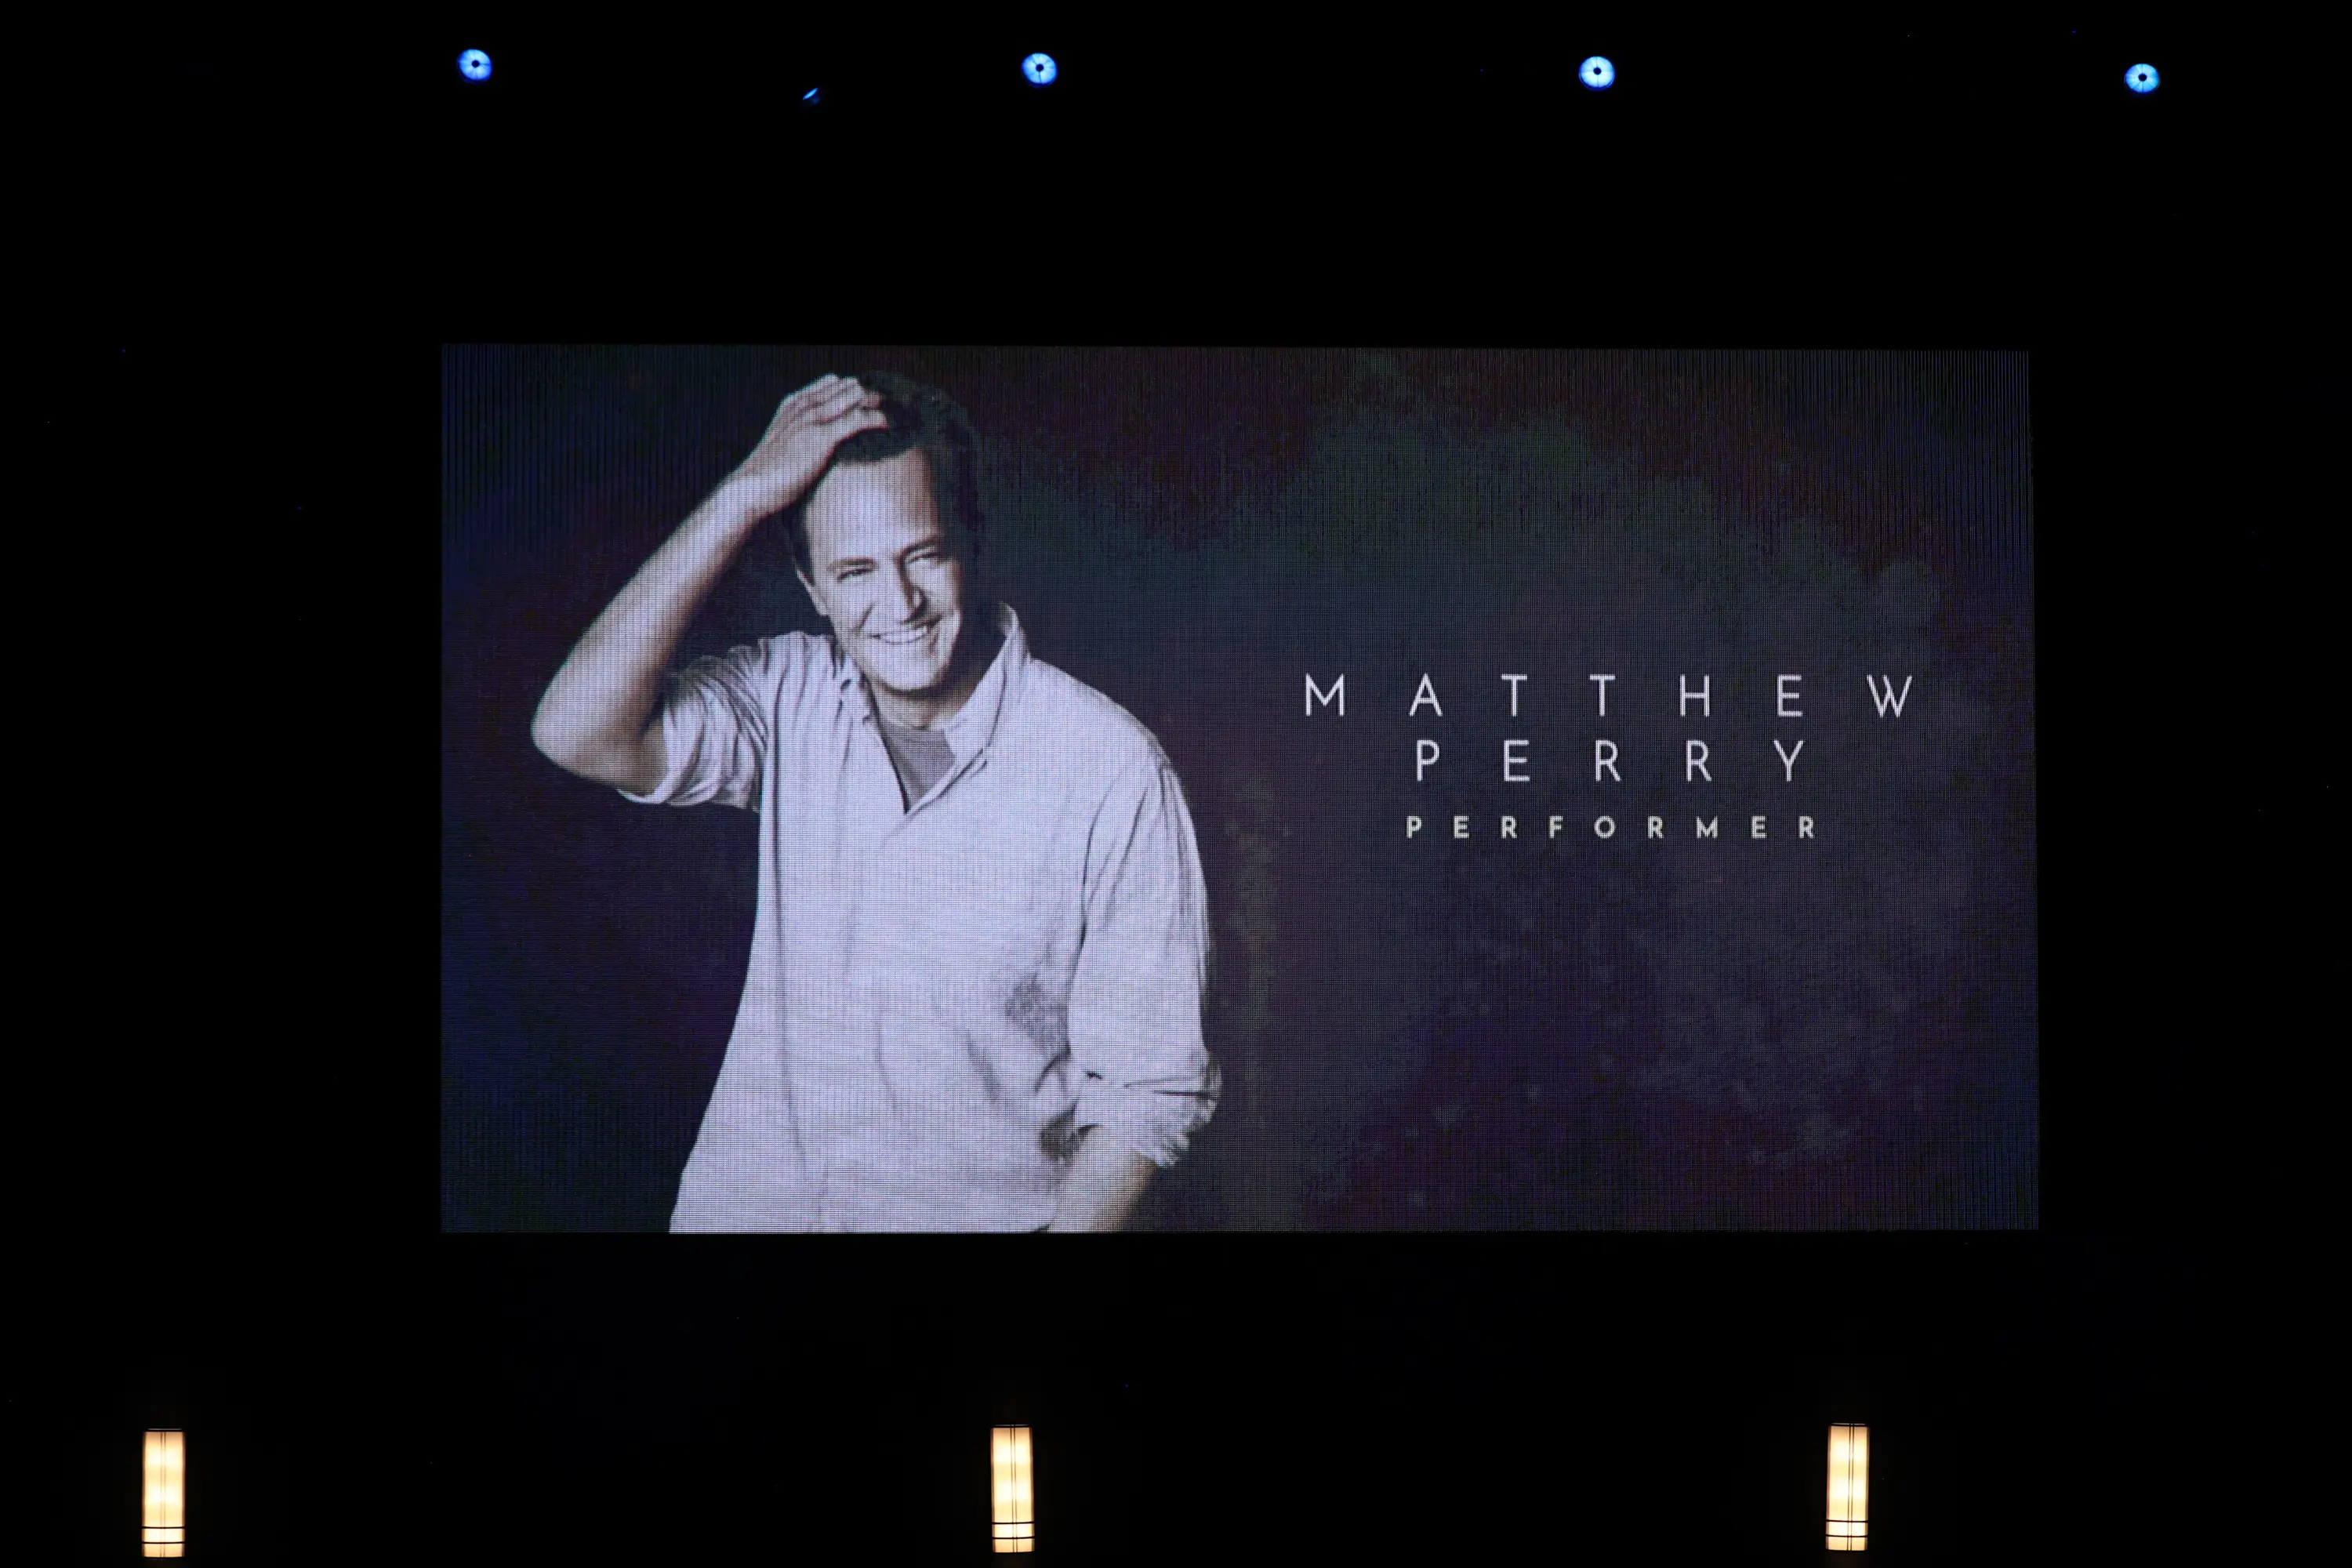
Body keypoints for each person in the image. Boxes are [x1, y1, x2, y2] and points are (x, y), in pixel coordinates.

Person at [530, 372, 1218, 1231]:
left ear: (968, 542)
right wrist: (739, 498)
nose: (897, 604)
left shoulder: (1111, 770)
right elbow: (574, 731)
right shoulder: (787, 697)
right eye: (854, 570)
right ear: (814, 588)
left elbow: (1148, 1093)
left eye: (922, 554)